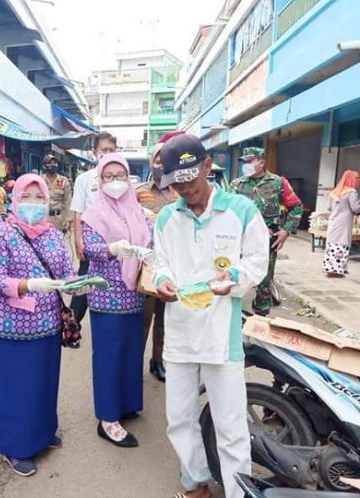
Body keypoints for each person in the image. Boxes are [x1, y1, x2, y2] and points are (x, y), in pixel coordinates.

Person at [154, 134, 269, 498]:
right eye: (177, 182)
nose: (185, 187)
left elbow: (257, 260)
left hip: (222, 336)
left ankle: (238, 493)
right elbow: (159, 263)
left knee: (231, 424)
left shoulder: (241, 210)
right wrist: (162, 280)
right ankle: (195, 483)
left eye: (191, 178)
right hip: (180, 333)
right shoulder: (166, 218)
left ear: (207, 167)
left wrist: (234, 278)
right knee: (180, 419)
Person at [0, 174, 74, 477]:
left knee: (44, 383)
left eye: (40, 197)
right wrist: (26, 284)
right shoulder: (2, 233)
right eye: (27, 197)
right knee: (16, 389)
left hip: (47, 325)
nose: (33, 204)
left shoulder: (53, 234)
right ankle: (15, 447)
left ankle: (42, 434)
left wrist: (80, 284)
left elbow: (65, 271)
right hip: (12, 328)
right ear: (15, 199)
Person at [82, 153, 153, 448]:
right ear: (100, 180)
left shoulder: (138, 210)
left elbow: (150, 240)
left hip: (134, 295)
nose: (115, 182)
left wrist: (149, 251)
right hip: (106, 297)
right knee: (109, 357)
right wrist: (113, 248)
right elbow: (89, 248)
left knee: (131, 352)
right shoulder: (92, 213)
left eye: (120, 176)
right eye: (108, 177)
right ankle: (108, 418)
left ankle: (126, 403)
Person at [230, 147, 302, 316]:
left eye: (250, 161)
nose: (245, 165)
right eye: (244, 162)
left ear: (261, 162)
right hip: (238, 239)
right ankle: (231, 314)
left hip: (267, 240)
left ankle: (261, 318)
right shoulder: (236, 184)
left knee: (264, 279)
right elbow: (227, 211)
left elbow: (296, 207)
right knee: (233, 276)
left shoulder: (278, 183)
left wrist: (286, 231)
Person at [69, 132, 117, 344]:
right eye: (104, 150)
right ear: (94, 153)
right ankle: (71, 328)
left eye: (111, 150)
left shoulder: (119, 177)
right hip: (90, 241)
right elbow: (78, 211)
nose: (107, 154)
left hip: (114, 244)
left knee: (109, 284)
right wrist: (79, 241)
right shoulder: (84, 179)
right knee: (84, 286)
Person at [135, 142, 178, 383]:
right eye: (157, 159)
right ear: (151, 161)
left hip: (173, 262)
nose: (161, 164)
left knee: (165, 317)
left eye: (166, 159)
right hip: (148, 264)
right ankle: (135, 364)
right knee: (144, 318)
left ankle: (158, 361)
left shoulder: (179, 191)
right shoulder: (139, 191)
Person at [322, 170, 360, 277]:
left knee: (332, 245)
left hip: (333, 222)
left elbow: (329, 207)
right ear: (351, 179)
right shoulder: (351, 192)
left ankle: (330, 269)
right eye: (357, 179)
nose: (358, 181)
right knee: (341, 245)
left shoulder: (335, 192)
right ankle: (337, 270)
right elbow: (355, 208)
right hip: (343, 224)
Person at [42, 154, 73, 232]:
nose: (52, 165)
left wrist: (68, 219)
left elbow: (68, 201)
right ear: (44, 166)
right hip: (43, 218)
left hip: (58, 219)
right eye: (49, 163)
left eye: (55, 163)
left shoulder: (63, 181)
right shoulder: (40, 180)